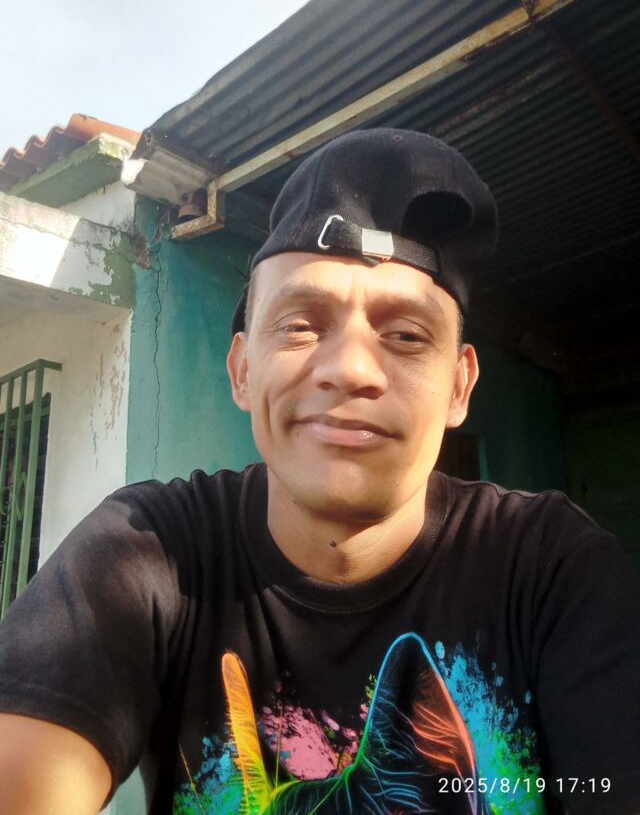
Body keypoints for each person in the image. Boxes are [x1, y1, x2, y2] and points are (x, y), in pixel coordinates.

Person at [0, 128, 638, 815]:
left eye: (406, 335)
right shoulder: (148, 552)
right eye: (301, 324)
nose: (351, 369)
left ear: (459, 386)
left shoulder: (551, 569)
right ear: (243, 370)